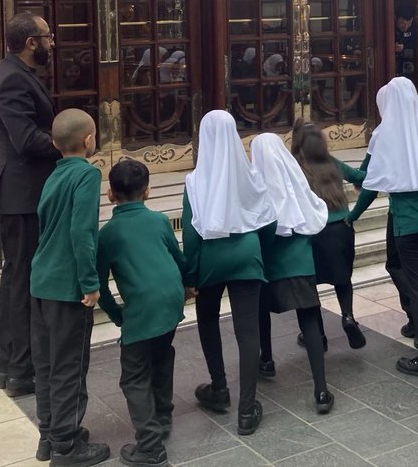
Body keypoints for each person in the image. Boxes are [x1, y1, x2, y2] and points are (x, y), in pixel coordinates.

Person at [182, 111, 277, 436]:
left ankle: (219, 388)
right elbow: (269, 219)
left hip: (210, 259)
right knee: (247, 332)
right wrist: (260, 252)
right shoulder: (249, 175)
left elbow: (191, 235)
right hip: (247, 255)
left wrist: (190, 275)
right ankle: (247, 410)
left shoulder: (195, 182)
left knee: (208, 320)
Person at [350, 77, 418, 378]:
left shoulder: (385, 137)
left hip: (405, 222)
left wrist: (353, 214)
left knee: (416, 286)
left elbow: (368, 183)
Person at [0, 11, 61, 398]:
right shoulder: (12, 78)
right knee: (20, 281)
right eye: (48, 37)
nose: (51, 43)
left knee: (19, 278)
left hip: (23, 193)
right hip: (20, 194)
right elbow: (26, 139)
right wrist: (69, 143)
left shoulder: (15, 73)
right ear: (31, 43)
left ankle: (16, 367)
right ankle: (18, 370)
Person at [29, 109, 110, 467]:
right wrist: (91, 283)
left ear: (54, 143)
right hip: (67, 286)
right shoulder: (86, 175)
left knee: (46, 364)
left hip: (41, 281)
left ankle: (50, 435)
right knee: (70, 365)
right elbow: (82, 232)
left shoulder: (54, 175)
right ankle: (66, 444)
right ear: (89, 140)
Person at [96, 159, 190, 467]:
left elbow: (100, 285)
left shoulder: (108, 234)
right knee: (162, 355)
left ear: (110, 194)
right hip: (170, 301)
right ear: (148, 192)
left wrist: (118, 316)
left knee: (133, 377)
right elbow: (178, 259)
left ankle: (150, 445)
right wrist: (189, 284)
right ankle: (162, 416)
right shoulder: (160, 221)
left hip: (142, 308)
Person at [252, 134, 335, 416]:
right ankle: (321, 389)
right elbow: (311, 210)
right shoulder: (295, 177)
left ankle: (266, 359)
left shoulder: (255, 184)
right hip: (300, 262)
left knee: (261, 313)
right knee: (309, 318)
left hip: (268, 264)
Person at [291, 120, 368, 349]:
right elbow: (362, 177)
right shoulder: (333, 163)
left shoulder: (296, 168)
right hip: (341, 230)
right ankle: (348, 316)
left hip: (312, 234)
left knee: (309, 285)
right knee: (343, 279)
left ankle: (317, 335)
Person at [395, 11, 417, 78]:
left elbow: (414, 45)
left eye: (409, 23)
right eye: (402, 23)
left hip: (409, 66)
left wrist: (403, 47)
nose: (406, 27)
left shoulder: (414, 30)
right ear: (395, 19)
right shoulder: (390, 29)